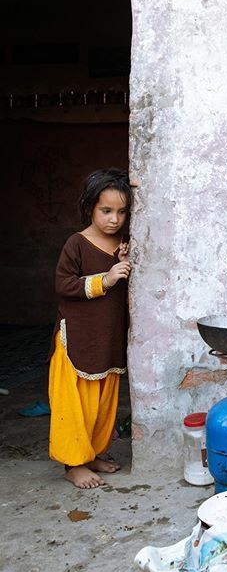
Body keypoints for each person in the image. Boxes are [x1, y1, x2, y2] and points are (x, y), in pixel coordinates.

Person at [48, 169, 132, 488]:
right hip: (78, 338)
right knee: (76, 403)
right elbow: (63, 284)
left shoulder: (122, 243)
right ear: (90, 208)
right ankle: (73, 463)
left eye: (121, 212)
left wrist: (123, 260)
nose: (114, 219)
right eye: (106, 211)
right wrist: (106, 279)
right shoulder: (77, 244)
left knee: (102, 401)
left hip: (107, 336)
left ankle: (93, 453)